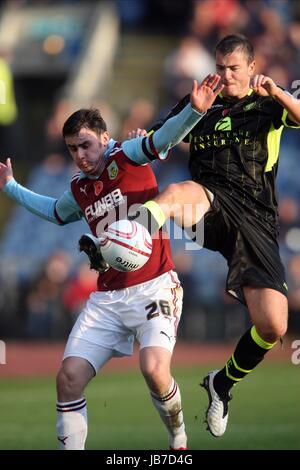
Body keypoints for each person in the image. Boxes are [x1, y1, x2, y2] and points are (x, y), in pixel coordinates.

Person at [0, 75, 223, 450]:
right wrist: (11, 186)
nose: (80, 155)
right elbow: (55, 212)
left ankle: (178, 437)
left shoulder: (127, 154)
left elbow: (164, 138)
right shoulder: (80, 188)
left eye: (85, 145)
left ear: (104, 138)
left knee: (154, 371)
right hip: (107, 299)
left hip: (155, 286)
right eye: (72, 149)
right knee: (67, 377)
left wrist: (194, 111)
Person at [127, 34, 300, 438]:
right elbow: (162, 139)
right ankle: (128, 236)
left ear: (252, 68)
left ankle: (221, 384)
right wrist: (146, 139)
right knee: (176, 194)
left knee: (273, 327)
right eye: (220, 67)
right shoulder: (202, 99)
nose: (225, 75)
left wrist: (277, 92)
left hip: (256, 220)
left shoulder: (267, 103)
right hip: (208, 205)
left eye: (233, 68)